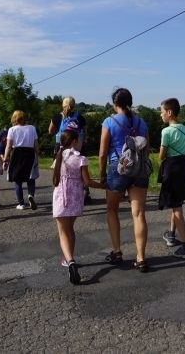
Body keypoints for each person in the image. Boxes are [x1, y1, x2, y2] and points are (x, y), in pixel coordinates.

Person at [98, 87, 151, 272]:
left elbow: (103, 152)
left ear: (115, 104)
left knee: (112, 209)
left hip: (118, 169)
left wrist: (102, 173)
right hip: (140, 171)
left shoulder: (109, 122)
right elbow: (147, 148)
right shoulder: (142, 122)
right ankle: (141, 258)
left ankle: (117, 251)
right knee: (139, 214)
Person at [52, 129, 104, 285]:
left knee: (63, 232)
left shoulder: (59, 157)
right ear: (74, 141)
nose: (81, 142)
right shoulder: (80, 159)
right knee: (70, 229)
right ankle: (70, 258)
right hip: (75, 198)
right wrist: (103, 186)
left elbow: (55, 178)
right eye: (80, 139)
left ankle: (70, 261)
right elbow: (87, 182)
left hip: (60, 197)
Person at [158, 98, 185, 259]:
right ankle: (171, 234)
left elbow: (162, 155)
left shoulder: (166, 132)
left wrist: (164, 156)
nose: (161, 115)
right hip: (183, 170)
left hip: (171, 171)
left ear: (169, 113)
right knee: (177, 203)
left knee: (176, 209)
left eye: (162, 111)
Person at [48, 96, 91, 204]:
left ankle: (61, 193)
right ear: (74, 105)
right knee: (80, 170)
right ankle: (85, 192)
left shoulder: (57, 117)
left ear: (62, 105)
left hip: (61, 146)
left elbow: (50, 131)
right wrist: (84, 140)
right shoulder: (80, 118)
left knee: (59, 169)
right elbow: (86, 132)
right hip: (77, 146)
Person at [3, 110, 39, 210]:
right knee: (31, 178)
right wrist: (37, 155)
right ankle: (31, 195)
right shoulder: (32, 128)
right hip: (30, 153)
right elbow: (36, 144)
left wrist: (5, 159)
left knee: (17, 180)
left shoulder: (12, 130)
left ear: (14, 118)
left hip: (17, 154)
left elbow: (8, 146)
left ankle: (21, 204)